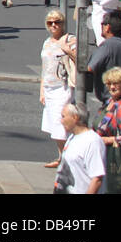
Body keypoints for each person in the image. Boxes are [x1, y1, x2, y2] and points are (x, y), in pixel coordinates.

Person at [39, 10, 77, 168]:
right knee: (52, 124)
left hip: (63, 86)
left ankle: (65, 159)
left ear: (62, 23)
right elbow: (44, 66)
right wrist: (41, 89)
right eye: (50, 23)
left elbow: (80, 60)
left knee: (60, 123)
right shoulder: (47, 42)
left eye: (57, 22)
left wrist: (66, 48)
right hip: (49, 86)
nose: (54, 25)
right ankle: (61, 156)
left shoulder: (70, 39)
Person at [95, 66, 121, 193]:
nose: (112, 87)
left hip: (115, 160)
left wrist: (105, 140)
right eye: (109, 84)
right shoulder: (109, 102)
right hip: (103, 157)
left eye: (116, 84)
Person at [54, 103, 104, 194]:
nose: (61, 121)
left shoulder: (93, 142)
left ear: (75, 117)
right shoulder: (72, 137)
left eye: (63, 116)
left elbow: (97, 179)